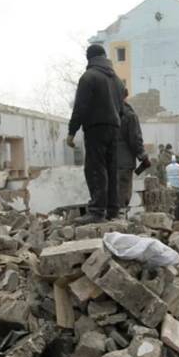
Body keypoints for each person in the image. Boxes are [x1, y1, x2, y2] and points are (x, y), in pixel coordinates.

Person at [67, 44, 125, 224]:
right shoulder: (117, 81)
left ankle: (97, 211)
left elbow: (80, 107)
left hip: (95, 127)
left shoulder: (89, 77)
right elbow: (121, 108)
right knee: (111, 167)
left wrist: (71, 131)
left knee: (95, 168)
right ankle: (113, 210)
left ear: (89, 58)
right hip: (114, 128)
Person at [117, 89, 148, 210]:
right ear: (125, 96)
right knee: (122, 197)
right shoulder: (129, 115)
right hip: (124, 164)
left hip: (107, 164)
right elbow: (135, 139)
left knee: (111, 198)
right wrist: (143, 157)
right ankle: (119, 223)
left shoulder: (104, 113)